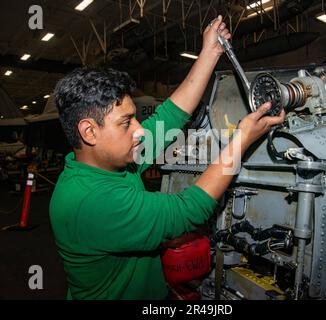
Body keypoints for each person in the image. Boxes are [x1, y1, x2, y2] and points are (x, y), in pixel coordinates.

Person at [49, 15, 285, 300]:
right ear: (89, 131)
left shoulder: (104, 160)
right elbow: (189, 210)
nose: (139, 131)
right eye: (126, 122)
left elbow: (170, 115)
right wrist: (242, 139)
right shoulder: (89, 202)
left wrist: (210, 52)